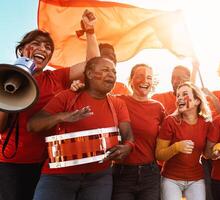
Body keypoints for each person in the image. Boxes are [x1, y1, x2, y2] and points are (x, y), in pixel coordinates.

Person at [0, 10, 99, 200]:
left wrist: (90, 31)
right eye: (35, 44)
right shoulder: (4, 76)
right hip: (8, 164)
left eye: (47, 47)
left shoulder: (56, 78)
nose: (42, 49)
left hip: (44, 163)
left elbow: (92, 65)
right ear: (22, 50)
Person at [27, 57, 134, 200]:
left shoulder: (118, 104)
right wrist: (61, 117)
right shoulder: (67, 96)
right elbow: (32, 125)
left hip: (100, 178)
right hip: (59, 176)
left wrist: (127, 147)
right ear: (89, 74)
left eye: (114, 72)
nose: (111, 75)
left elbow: (128, 136)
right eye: (105, 70)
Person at [111, 64, 165, 200]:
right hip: (123, 173)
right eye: (140, 76)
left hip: (150, 174)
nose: (145, 80)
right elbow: (96, 97)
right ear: (130, 80)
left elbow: (169, 135)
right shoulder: (118, 101)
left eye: (149, 77)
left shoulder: (158, 108)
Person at [155, 82, 212, 200]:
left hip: (196, 178)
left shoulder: (206, 124)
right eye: (178, 95)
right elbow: (159, 155)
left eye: (184, 94)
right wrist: (176, 147)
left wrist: (215, 152)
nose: (179, 98)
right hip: (171, 179)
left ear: (197, 101)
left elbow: (206, 154)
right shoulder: (170, 121)